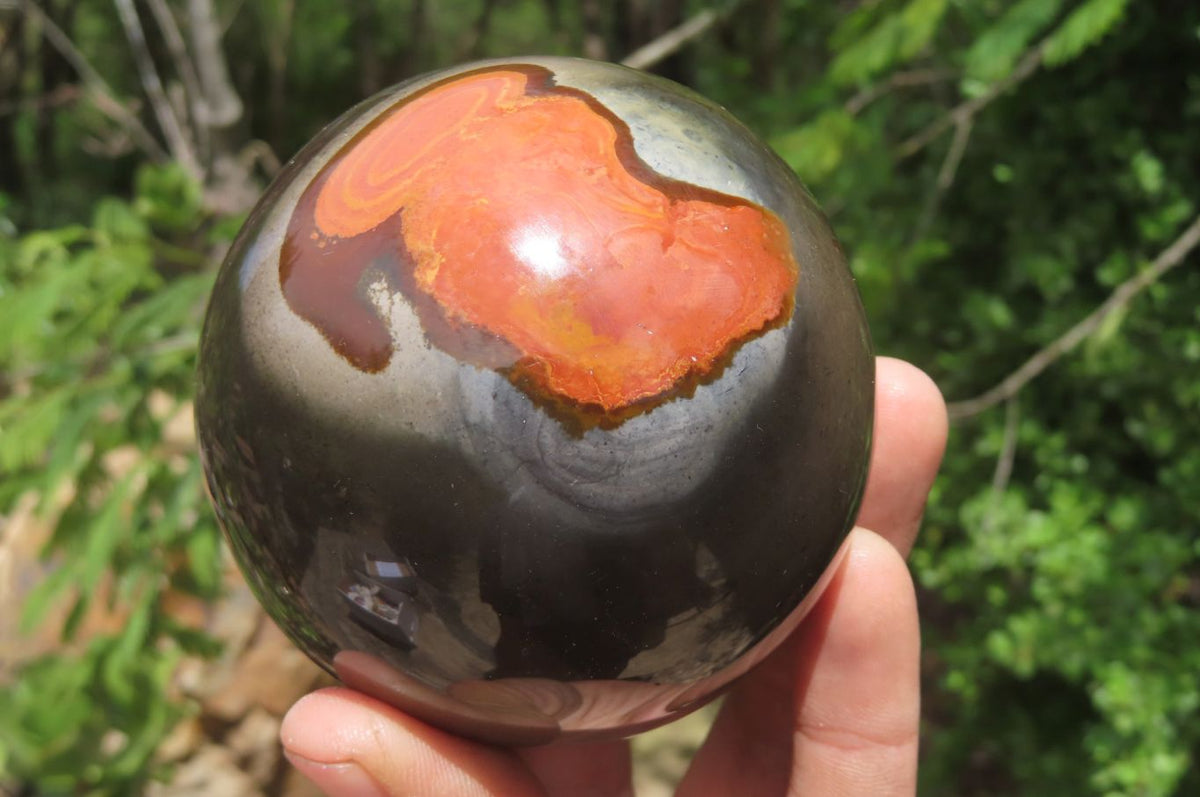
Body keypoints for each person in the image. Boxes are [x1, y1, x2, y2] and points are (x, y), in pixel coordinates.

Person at [278, 357, 948, 796]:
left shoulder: (596, 518)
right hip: (549, 662)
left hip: (577, 662)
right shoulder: (532, 512)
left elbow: (638, 596)